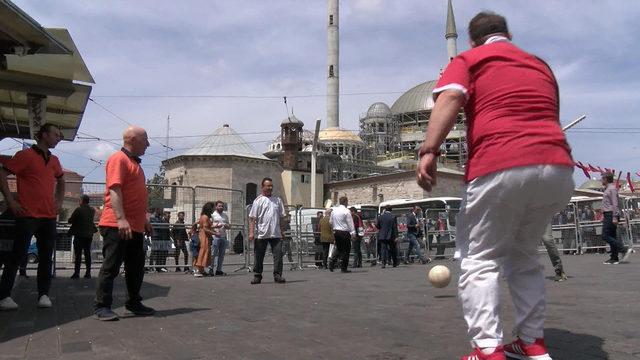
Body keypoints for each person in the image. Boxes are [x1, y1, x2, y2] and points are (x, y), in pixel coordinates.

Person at [415, 12, 575, 359]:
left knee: (479, 259)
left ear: (473, 40)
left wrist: (429, 150)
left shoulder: (468, 58)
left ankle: (488, 349)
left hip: (500, 162)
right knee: (524, 257)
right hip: (557, 166)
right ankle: (532, 343)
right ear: (508, 34)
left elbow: (451, 98)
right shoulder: (540, 65)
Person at [0, 123, 65, 311]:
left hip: (48, 216)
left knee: (46, 257)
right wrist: (11, 202)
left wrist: (59, 202)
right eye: (55, 134)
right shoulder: (25, 156)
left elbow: (61, 180)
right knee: (17, 255)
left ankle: (43, 294)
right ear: (44, 135)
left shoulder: (55, 160)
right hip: (27, 214)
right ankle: (4, 296)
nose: (58, 138)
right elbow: (2, 174)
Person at [94, 126, 155, 321]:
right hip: (116, 224)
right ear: (133, 140)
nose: (148, 144)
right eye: (145, 139)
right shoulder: (118, 159)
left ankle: (134, 303)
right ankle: (102, 306)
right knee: (111, 266)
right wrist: (121, 219)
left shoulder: (136, 165)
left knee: (135, 267)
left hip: (135, 226)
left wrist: (144, 220)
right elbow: (114, 190)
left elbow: (136, 196)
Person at [249, 177, 286, 284]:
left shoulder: (277, 200)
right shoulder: (258, 201)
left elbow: (282, 217)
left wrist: (282, 231)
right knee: (259, 256)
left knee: (278, 255)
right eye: (268, 186)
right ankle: (257, 276)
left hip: (276, 234)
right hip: (262, 234)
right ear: (262, 187)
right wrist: (251, 233)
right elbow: (252, 218)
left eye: (271, 186)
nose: (270, 188)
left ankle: (278, 275)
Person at [601, 172, 633, 265]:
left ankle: (623, 249)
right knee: (612, 235)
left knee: (605, 235)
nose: (601, 180)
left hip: (611, 214)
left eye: (602, 178)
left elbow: (615, 204)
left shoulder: (612, 189)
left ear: (606, 179)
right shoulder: (608, 189)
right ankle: (614, 257)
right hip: (608, 214)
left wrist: (614, 216)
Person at [68, 195, 97, 279]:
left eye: (79, 200)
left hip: (79, 235)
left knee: (78, 255)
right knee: (87, 254)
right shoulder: (92, 210)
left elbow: (70, 220)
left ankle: (76, 273)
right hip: (89, 235)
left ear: (82, 201)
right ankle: (88, 273)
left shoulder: (78, 210)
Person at [329, 196, 355, 273]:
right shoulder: (346, 211)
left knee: (339, 248)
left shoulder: (334, 211)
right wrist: (353, 232)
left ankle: (332, 261)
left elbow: (330, 222)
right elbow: (350, 223)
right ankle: (343, 268)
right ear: (345, 202)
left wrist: (334, 227)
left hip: (336, 232)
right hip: (344, 232)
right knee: (346, 250)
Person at [194, 202, 214, 277]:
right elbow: (205, 229)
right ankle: (199, 270)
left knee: (205, 252)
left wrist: (215, 227)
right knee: (203, 252)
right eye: (213, 208)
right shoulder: (205, 217)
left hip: (206, 237)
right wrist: (215, 233)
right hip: (204, 237)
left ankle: (201, 270)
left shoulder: (205, 217)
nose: (213, 209)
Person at [210, 200, 230, 276]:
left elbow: (229, 226)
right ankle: (210, 269)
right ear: (216, 207)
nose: (221, 207)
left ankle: (219, 270)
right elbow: (209, 226)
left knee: (222, 255)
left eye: (222, 206)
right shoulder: (212, 215)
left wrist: (226, 226)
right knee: (213, 254)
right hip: (215, 237)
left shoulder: (225, 215)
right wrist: (215, 227)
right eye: (219, 206)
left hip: (223, 237)